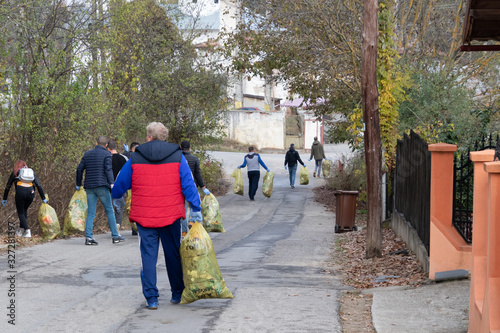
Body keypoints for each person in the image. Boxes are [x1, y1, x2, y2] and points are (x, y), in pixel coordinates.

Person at [111, 122, 202, 309]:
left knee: (148, 256)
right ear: (164, 138)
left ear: (149, 137)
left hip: (145, 217)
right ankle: (177, 293)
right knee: (173, 255)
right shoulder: (178, 157)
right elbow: (188, 184)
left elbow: (120, 184)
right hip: (171, 216)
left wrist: (115, 194)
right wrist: (196, 207)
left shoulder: (135, 158)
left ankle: (152, 298)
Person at [76, 136, 125, 246]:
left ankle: (88, 237)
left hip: (89, 186)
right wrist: (112, 183)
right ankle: (115, 236)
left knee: (91, 212)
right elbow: (108, 169)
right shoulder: (107, 154)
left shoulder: (87, 153)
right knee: (109, 210)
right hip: (102, 186)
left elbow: (79, 169)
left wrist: (78, 184)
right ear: (106, 145)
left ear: (96, 143)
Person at [3, 160, 47, 238]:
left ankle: (27, 230)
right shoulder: (31, 172)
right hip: (31, 193)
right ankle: (20, 230)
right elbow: (38, 185)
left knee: (20, 212)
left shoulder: (15, 172)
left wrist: (4, 198)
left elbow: (8, 186)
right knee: (24, 210)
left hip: (20, 192)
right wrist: (43, 197)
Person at [180, 140, 210, 236]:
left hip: (180, 188)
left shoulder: (178, 159)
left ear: (181, 148)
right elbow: (198, 175)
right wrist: (203, 187)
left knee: (183, 210)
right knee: (194, 206)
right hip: (192, 187)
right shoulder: (194, 159)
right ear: (189, 148)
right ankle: (192, 222)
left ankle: (184, 231)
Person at [107, 140, 128, 231]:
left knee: (110, 208)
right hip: (122, 186)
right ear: (116, 148)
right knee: (119, 208)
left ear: (108, 148)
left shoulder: (107, 158)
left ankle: (113, 226)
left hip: (109, 186)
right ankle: (118, 224)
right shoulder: (124, 158)